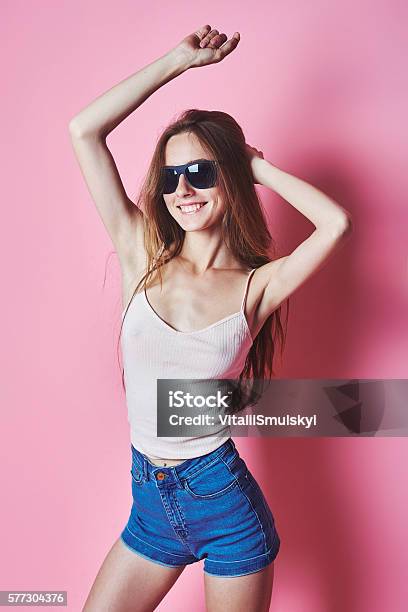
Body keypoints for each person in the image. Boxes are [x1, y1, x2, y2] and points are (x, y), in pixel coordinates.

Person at [69, 24, 352, 612]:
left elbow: (336, 224)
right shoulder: (141, 253)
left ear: (230, 178)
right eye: (171, 177)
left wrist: (256, 166)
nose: (182, 190)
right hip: (150, 504)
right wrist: (177, 61)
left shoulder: (257, 286)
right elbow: (83, 130)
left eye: (201, 172)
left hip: (224, 504)